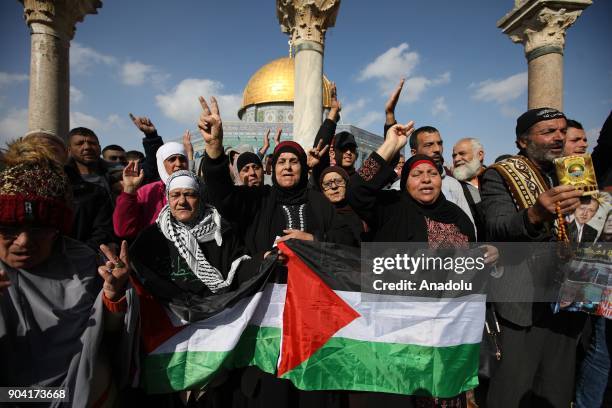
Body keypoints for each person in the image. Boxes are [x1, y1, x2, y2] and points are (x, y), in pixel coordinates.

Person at [481, 107, 586, 408]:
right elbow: (498, 226)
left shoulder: (574, 172)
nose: (558, 137)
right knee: (513, 389)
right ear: (523, 142)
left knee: (556, 388)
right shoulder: (500, 175)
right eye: (548, 131)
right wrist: (536, 214)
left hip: (568, 299)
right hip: (524, 303)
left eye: (562, 131)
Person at [0, 147, 116, 406]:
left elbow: (109, 334)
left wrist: (115, 297)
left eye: (39, 230)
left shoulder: (85, 263)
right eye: (9, 229)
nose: (23, 242)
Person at [199, 96, 355, 257]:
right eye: (281, 162)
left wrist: (314, 239)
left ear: (303, 167)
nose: (287, 167)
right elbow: (222, 195)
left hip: (312, 281)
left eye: (294, 161)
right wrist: (214, 147)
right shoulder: (259, 199)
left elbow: (347, 238)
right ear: (273, 168)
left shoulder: (318, 202)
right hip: (269, 280)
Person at [383, 79, 475, 229]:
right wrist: (390, 118)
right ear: (413, 152)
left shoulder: (453, 185)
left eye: (439, 143)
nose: (437, 149)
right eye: (429, 145)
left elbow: (470, 230)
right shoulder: (398, 188)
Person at [21, 133, 117, 250]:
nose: (44, 154)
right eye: (36, 148)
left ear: (66, 154)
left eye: (52, 149)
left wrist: (77, 256)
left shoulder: (94, 192)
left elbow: (102, 232)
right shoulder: (8, 189)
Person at [112, 141, 189, 240]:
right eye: (172, 159)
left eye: (182, 159)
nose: (178, 164)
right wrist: (129, 191)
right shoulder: (147, 192)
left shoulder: (199, 187)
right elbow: (124, 230)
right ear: (161, 163)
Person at [319, 166, 366, 243]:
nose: (334, 186)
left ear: (347, 184)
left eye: (338, 181)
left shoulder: (362, 211)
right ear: (322, 191)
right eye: (327, 184)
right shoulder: (320, 216)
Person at [66, 126, 113, 198]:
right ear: (69, 151)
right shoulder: (61, 179)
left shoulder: (117, 175)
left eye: (92, 143)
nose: (87, 147)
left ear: (100, 149)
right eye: (79, 144)